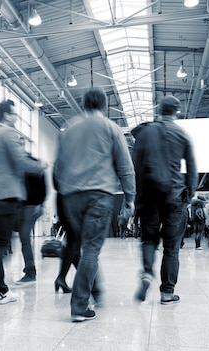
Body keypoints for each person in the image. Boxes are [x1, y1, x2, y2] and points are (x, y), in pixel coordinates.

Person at [54, 88, 135, 322]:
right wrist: (129, 198)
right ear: (105, 105)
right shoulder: (111, 128)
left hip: (70, 197)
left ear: (83, 105)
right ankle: (79, 306)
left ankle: (96, 289)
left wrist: (67, 189)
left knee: (82, 247)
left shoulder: (68, 128)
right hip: (99, 195)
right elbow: (125, 166)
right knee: (91, 250)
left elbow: (58, 168)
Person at [0, 99, 46, 308]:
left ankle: (2, 291)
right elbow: (21, 161)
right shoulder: (10, 134)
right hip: (7, 195)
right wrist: (41, 166)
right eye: (13, 114)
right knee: (4, 246)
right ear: (5, 115)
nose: (16, 117)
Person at [131, 95, 197, 306]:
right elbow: (192, 168)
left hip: (150, 197)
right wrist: (190, 192)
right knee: (171, 247)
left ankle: (147, 273)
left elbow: (136, 167)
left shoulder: (145, 132)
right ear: (175, 112)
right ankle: (167, 292)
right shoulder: (182, 134)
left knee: (149, 239)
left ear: (159, 110)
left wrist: (137, 197)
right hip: (174, 197)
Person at [15, 137, 46, 285]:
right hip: (19, 206)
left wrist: (40, 203)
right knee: (19, 237)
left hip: (31, 206)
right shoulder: (15, 164)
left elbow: (42, 183)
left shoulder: (32, 162)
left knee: (24, 237)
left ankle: (30, 271)